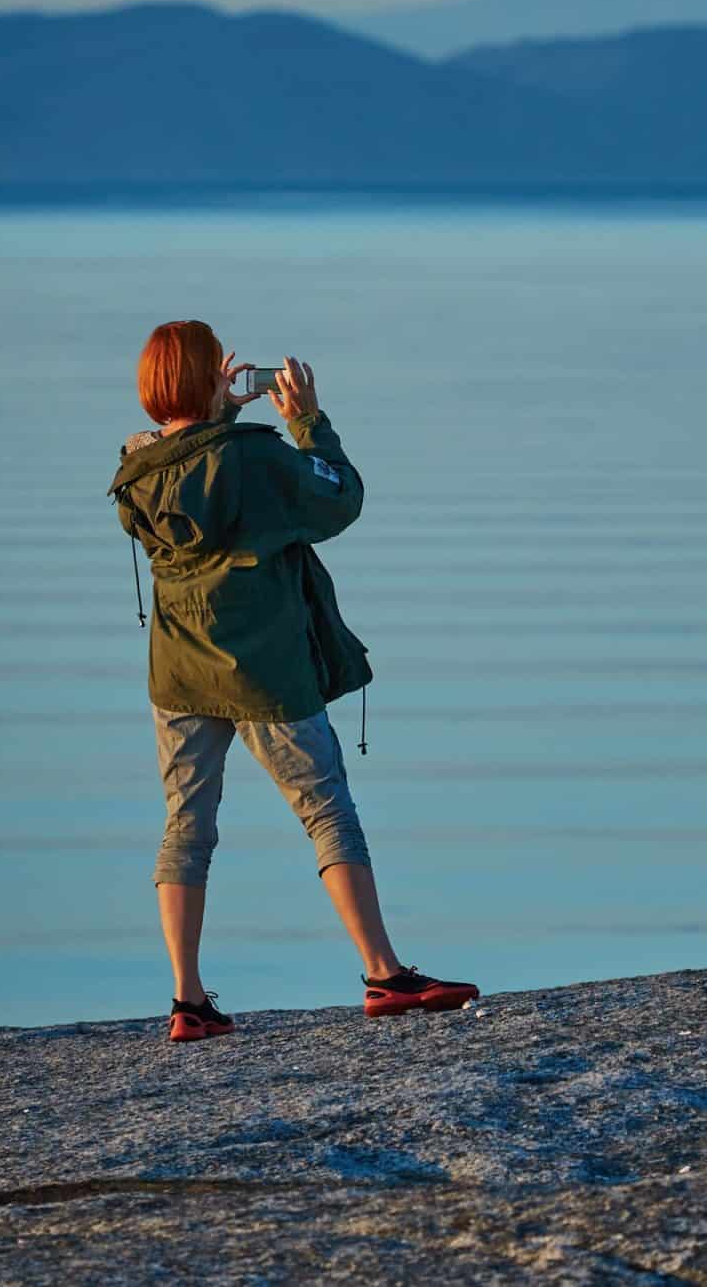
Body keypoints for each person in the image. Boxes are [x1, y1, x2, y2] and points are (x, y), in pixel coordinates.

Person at [106, 319, 478, 1043]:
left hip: (178, 672)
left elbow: (198, 473)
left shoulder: (137, 470)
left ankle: (188, 1002)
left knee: (187, 825)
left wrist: (216, 418)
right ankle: (383, 973)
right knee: (327, 810)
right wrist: (305, 420)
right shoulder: (256, 460)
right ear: (210, 379)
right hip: (266, 670)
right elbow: (339, 499)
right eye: (219, 370)